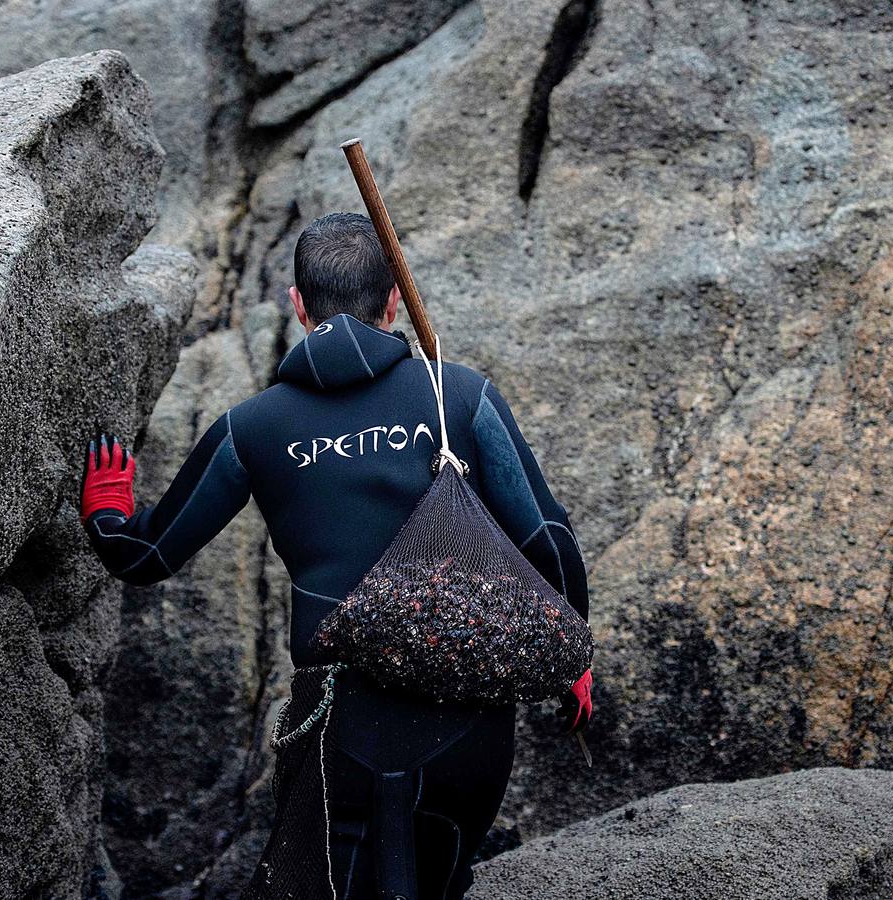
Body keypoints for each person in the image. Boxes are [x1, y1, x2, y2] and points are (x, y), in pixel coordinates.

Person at [81, 212, 591, 899]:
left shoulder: (251, 427)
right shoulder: (460, 395)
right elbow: (547, 539)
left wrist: (106, 506)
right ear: (391, 302)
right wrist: (571, 660)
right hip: (467, 729)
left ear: (297, 305)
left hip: (338, 732)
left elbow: (142, 556)